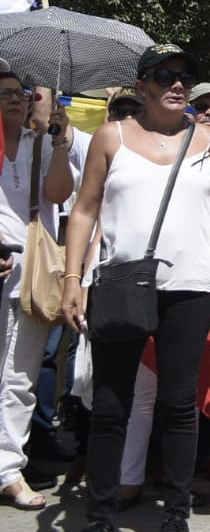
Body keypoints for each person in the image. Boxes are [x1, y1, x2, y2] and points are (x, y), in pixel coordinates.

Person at [60, 44, 210, 532]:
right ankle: (99, 517)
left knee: (179, 403)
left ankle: (176, 515)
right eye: (165, 75)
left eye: (185, 74)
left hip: (191, 289)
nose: (178, 84)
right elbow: (83, 210)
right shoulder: (110, 137)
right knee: (111, 405)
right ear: (141, 86)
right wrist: (73, 277)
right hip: (120, 284)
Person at [0, 70, 73, 510]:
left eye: (19, 93)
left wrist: (59, 142)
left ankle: (9, 469)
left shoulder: (39, 145)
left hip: (30, 271)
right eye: (4, 93)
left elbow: (58, 193)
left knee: (21, 375)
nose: (14, 100)